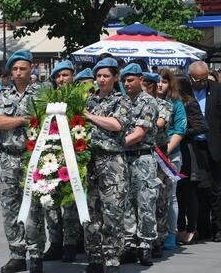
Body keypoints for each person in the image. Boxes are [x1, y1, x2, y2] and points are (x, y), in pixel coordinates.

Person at [0, 50, 44, 273]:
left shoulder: (42, 93)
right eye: (14, 69)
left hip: (33, 156)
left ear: (31, 69)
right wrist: (23, 120)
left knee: (34, 207)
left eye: (23, 68)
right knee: (9, 206)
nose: (18, 72)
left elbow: (45, 122)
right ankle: (17, 253)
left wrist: (12, 121)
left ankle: (36, 253)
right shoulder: (3, 94)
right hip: (7, 157)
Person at [83, 57, 131, 273]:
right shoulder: (88, 99)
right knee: (91, 211)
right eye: (99, 76)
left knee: (113, 212)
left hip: (112, 162)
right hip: (89, 161)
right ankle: (93, 257)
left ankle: (112, 259)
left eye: (106, 76)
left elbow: (116, 124)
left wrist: (89, 116)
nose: (101, 80)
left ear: (115, 77)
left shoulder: (122, 100)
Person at [188, 61, 221, 243]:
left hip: (215, 146)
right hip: (194, 147)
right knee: (199, 188)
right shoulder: (185, 90)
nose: (201, 82)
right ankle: (202, 228)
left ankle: (219, 228)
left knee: (216, 188)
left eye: (203, 79)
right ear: (190, 77)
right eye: (197, 80)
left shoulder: (219, 90)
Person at [119, 64, 159, 267]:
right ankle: (129, 244)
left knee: (145, 203)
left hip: (143, 157)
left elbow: (139, 133)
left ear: (140, 79)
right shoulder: (121, 101)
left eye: (130, 80)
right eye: (124, 80)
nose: (127, 84)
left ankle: (145, 245)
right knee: (126, 202)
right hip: (123, 158)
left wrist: (115, 143)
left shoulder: (148, 102)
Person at [43, 60, 82, 263]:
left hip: (74, 157)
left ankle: (71, 244)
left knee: (70, 205)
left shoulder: (82, 97)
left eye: (65, 75)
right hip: (51, 156)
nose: (61, 79)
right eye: (58, 76)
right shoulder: (48, 98)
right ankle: (55, 243)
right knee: (50, 203)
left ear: (72, 75)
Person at [141, 72, 175, 258]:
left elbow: (159, 123)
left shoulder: (164, 105)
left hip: (158, 155)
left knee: (160, 200)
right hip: (140, 154)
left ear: (152, 86)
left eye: (146, 85)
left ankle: (159, 239)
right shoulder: (134, 103)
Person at [175, 75, 209, 246]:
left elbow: (202, 127)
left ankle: (191, 228)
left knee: (188, 193)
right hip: (176, 149)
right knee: (178, 193)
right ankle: (180, 227)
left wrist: (182, 132)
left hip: (188, 150)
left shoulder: (189, 103)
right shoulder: (171, 102)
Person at [156, 69, 187, 252]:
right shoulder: (149, 101)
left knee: (170, 195)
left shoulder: (176, 103)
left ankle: (171, 234)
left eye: (164, 81)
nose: (160, 84)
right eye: (157, 81)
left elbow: (180, 129)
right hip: (149, 154)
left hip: (170, 155)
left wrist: (164, 151)